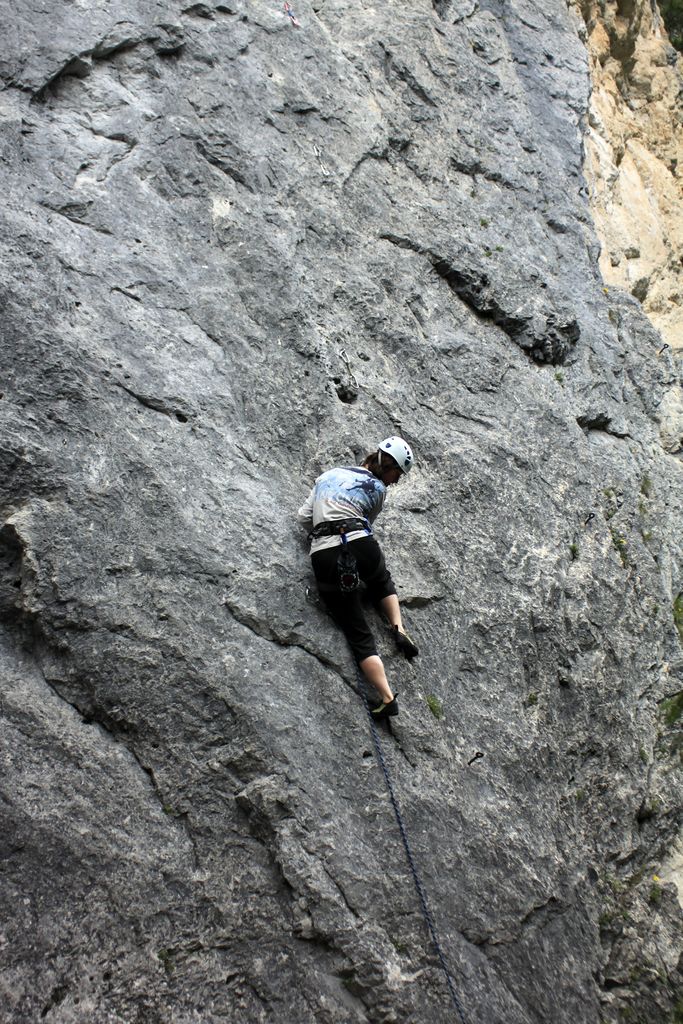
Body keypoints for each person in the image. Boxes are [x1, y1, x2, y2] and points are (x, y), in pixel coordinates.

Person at [298, 436, 419, 720]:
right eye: (396, 474)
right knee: (380, 579)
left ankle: (387, 698)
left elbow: (304, 518)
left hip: (325, 552)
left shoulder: (327, 476)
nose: (395, 481)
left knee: (357, 631)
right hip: (360, 542)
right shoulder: (377, 489)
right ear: (386, 466)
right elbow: (367, 520)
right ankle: (398, 628)